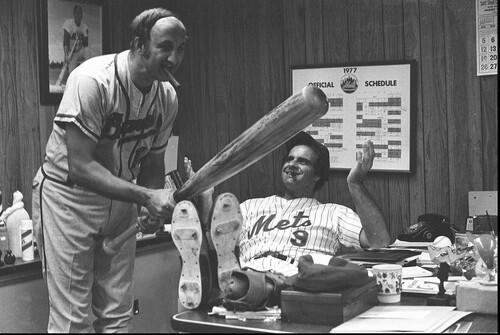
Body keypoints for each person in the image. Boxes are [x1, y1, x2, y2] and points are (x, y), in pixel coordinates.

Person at [31, 8, 188, 332]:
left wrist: (150, 205)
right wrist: (147, 196)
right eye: (166, 46)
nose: (174, 57)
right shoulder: (92, 80)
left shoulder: (167, 97)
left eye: (181, 48)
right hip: (68, 198)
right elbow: (81, 167)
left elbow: (153, 161)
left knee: (118, 316)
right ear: (140, 44)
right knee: (73, 321)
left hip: (121, 196)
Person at [175, 131, 391, 310]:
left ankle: (229, 292)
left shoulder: (333, 212)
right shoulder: (250, 207)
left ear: (317, 176)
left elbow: (379, 241)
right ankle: (225, 284)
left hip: (297, 282)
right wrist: (204, 200)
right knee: (224, 263)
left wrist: (356, 184)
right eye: (290, 159)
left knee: (314, 276)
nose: (293, 164)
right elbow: (216, 243)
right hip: (250, 271)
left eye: (303, 162)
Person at [59, 5, 92, 85]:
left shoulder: (84, 27)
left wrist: (82, 38)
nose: (79, 15)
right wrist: (66, 55)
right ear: (74, 14)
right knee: (72, 73)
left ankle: (87, 75)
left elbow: (86, 44)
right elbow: (65, 41)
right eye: (77, 13)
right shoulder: (68, 24)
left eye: (80, 13)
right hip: (71, 53)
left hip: (79, 51)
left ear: (82, 15)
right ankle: (66, 83)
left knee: (87, 51)